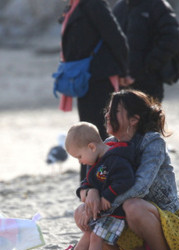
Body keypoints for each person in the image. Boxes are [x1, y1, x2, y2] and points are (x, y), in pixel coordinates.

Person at [75, 89, 179, 250]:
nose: (108, 116)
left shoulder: (152, 142)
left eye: (115, 111)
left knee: (132, 206)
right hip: (127, 222)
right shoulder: (108, 145)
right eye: (108, 111)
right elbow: (89, 180)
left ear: (134, 120)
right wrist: (91, 193)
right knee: (82, 210)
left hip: (167, 224)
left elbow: (140, 187)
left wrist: (104, 202)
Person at [58, 0, 129, 181]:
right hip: (87, 81)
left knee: (96, 138)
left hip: (98, 80)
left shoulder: (93, 3)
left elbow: (117, 38)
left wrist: (123, 72)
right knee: (90, 135)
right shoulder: (76, 5)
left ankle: (96, 186)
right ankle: (90, 186)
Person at [51, 122, 135, 250]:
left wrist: (107, 197)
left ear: (91, 147)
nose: (80, 161)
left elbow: (126, 180)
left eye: (79, 156)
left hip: (116, 213)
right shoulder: (95, 162)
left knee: (96, 237)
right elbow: (87, 183)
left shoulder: (116, 159)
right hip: (104, 213)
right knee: (87, 234)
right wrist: (87, 193)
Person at [113, 0, 179, 102]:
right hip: (122, 84)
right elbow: (111, 42)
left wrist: (148, 66)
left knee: (148, 117)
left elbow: (172, 40)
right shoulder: (119, 8)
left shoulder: (157, 5)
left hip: (149, 82)